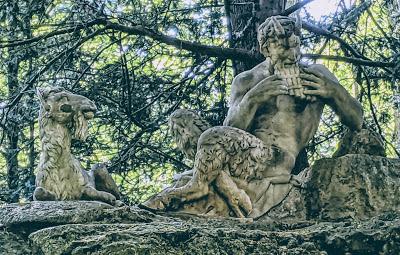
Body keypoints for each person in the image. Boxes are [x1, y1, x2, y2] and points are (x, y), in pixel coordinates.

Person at [143, 15, 363, 218]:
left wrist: (334, 92)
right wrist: (253, 99)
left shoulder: (317, 75)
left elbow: (356, 120)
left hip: (279, 159)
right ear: (265, 48)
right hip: (247, 156)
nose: (292, 55)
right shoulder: (247, 80)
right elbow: (231, 128)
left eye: (295, 45)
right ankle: (209, 183)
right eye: (282, 47)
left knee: (211, 137)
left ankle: (198, 186)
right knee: (181, 119)